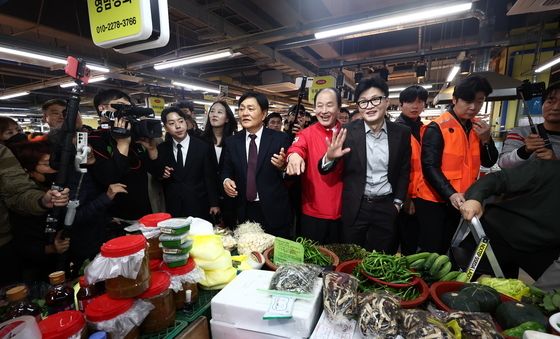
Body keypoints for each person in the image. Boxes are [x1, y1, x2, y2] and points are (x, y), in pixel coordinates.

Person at [322, 76, 411, 253]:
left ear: (386, 102)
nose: (369, 106)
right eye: (363, 102)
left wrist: (398, 203)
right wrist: (330, 157)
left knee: (381, 258)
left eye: (375, 100)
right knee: (351, 256)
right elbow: (324, 169)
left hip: (386, 206)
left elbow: (404, 170)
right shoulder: (347, 131)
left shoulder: (401, 133)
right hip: (356, 206)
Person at [415, 75, 499, 254]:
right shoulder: (437, 127)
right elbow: (429, 167)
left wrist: (486, 139)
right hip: (434, 200)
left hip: (462, 199)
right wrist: (450, 194)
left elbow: (489, 161)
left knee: (452, 246)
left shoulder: (478, 128)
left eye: (479, 101)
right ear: (454, 99)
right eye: (468, 101)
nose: (473, 107)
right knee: (432, 250)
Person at [459, 159, 560, 282]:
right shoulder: (548, 168)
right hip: (498, 234)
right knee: (454, 280)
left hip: (543, 248)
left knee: (547, 295)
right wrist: (475, 198)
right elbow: (498, 179)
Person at [222, 92, 291, 237]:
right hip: (244, 209)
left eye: (251, 109)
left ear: (264, 114)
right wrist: (226, 180)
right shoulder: (232, 142)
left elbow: (294, 176)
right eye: (241, 109)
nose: (245, 113)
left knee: (274, 256)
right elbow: (226, 169)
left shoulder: (280, 139)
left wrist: (283, 167)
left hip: (274, 209)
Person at [0, 143, 69, 285]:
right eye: (47, 164)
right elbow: (25, 246)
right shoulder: (21, 216)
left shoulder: (49, 193)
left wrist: (42, 201)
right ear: (28, 170)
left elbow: (18, 193)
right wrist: (51, 249)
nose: (54, 169)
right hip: (35, 267)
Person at [285, 88, 343, 244]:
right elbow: (296, 148)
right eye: (319, 105)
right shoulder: (306, 134)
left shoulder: (348, 133)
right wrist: (294, 156)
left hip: (343, 212)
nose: (324, 111)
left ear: (338, 108)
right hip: (312, 212)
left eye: (329, 105)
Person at [89, 89, 155, 226]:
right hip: (117, 218)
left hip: (147, 213)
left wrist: (152, 150)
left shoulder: (136, 136)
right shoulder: (94, 140)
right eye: (120, 105)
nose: (126, 111)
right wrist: (123, 143)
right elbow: (109, 178)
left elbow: (155, 173)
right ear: (102, 108)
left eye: (128, 107)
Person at [148, 107, 219, 221]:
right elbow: (157, 174)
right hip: (174, 206)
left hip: (199, 203)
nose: (178, 126)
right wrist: (161, 172)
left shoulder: (203, 147)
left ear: (186, 122)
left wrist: (214, 203)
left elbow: (210, 177)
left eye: (180, 121)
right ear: (165, 127)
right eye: (172, 123)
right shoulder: (162, 149)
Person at [393, 85, 428, 254]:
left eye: (420, 101)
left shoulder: (425, 129)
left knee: (413, 241)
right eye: (410, 101)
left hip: (423, 193)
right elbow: (396, 168)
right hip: (404, 195)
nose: (415, 106)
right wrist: (405, 196)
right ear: (401, 105)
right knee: (403, 239)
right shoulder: (396, 130)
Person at [498, 83, 560, 168]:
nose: (556, 107)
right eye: (550, 102)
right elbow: (503, 164)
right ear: (542, 105)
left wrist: (555, 163)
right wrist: (524, 151)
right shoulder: (520, 133)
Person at [202, 100, 239, 228]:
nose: (214, 115)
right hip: (207, 197)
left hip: (231, 198)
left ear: (227, 118)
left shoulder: (235, 141)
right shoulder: (201, 141)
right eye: (212, 111)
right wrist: (213, 201)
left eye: (219, 112)